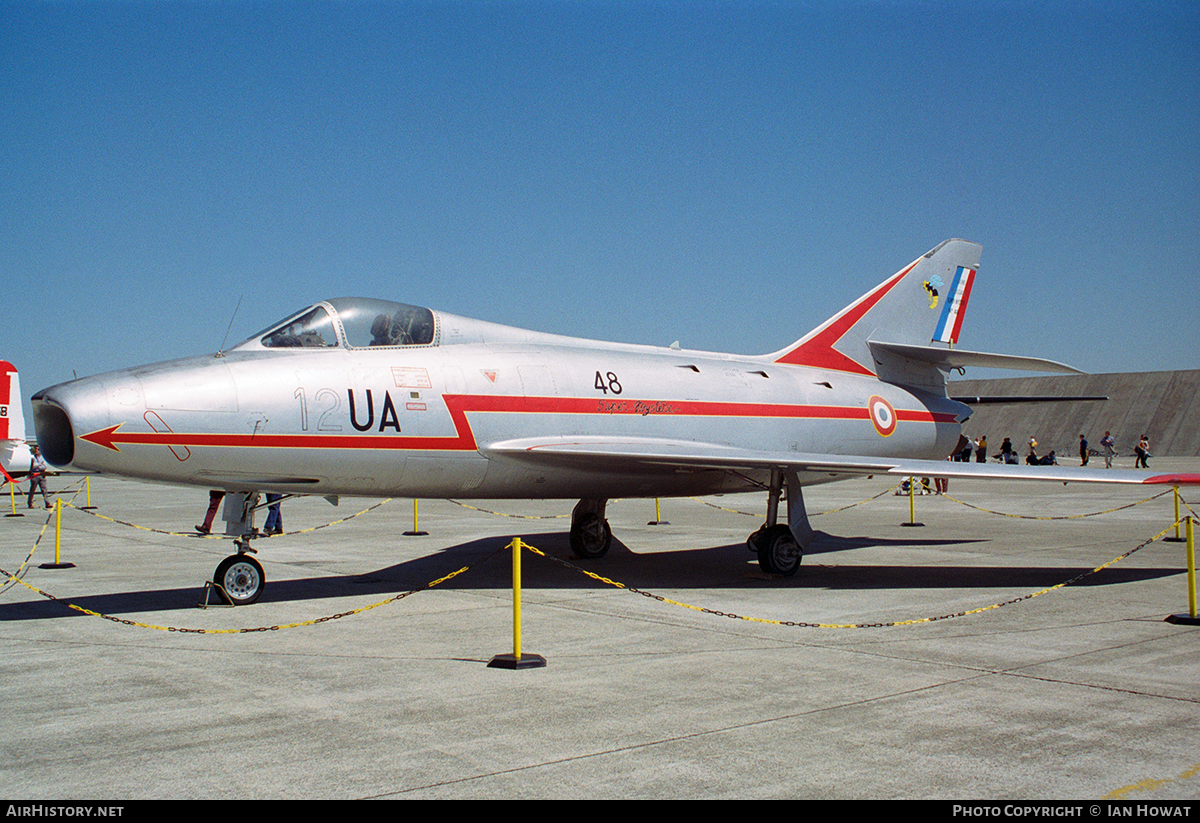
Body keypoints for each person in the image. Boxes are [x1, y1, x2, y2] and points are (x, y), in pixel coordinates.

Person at [26, 445, 52, 509]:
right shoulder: (32, 457)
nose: (36, 450)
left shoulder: (43, 458)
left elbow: (44, 466)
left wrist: (37, 466)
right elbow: (32, 466)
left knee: (44, 489)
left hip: (41, 475)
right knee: (32, 489)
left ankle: (47, 503)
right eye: (36, 449)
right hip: (34, 475)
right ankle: (30, 503)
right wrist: (38, 465)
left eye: (38, 449)